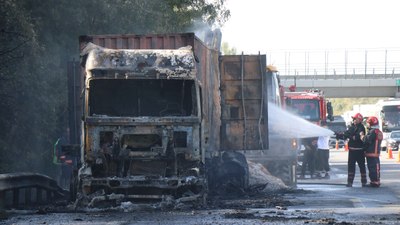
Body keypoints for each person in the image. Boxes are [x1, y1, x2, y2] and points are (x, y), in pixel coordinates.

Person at [336, 112, 367, 187]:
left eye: (355, 119)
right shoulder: (351, 127)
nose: (354, 120)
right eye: (353, 119)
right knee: (351, 167)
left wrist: (349, 136)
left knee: (362, 166)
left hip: (359, 151)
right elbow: (346, 134)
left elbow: (356, 137)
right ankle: (350, 182)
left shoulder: (361, 128)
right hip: (352, 151)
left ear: (359, 120)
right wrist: (339, 135)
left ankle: (364, 182)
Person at [360, 116, 383, 187]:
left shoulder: (373, 131)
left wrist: (362, 136)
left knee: (373, 168)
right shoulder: (378, 131)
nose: (367, 125)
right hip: (376, 153)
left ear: (371, 124)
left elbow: (366, 140)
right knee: (376, 167)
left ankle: (375, 181)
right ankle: (375, 181)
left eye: (368, 124)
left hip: (371, 153)